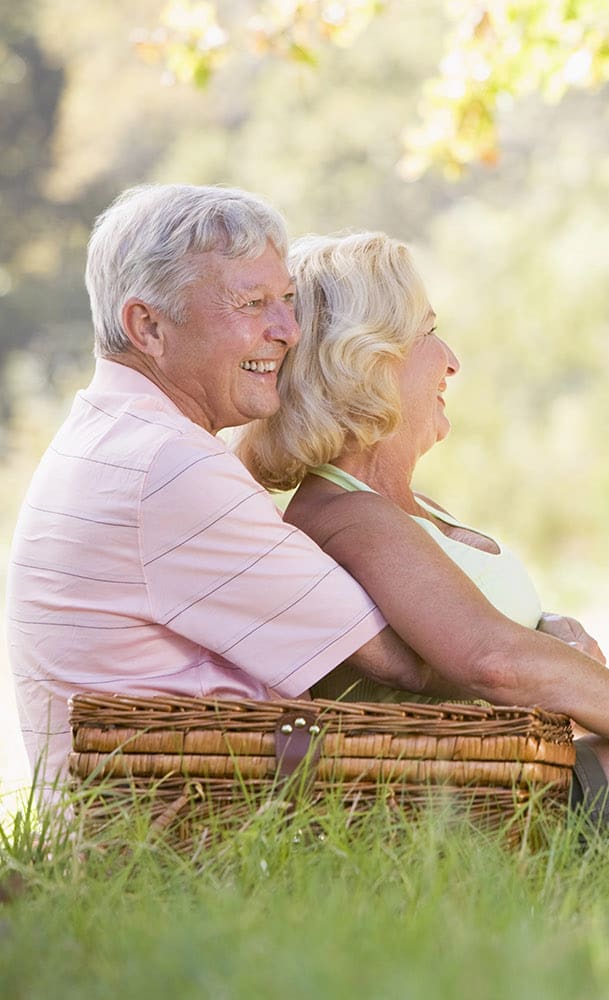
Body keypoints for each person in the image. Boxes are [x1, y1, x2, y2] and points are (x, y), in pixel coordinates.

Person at [235, 231, 609, 832]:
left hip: (529, 766)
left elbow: (486, 636)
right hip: (466, 796)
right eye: (427, 333)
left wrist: (548, 628)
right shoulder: (349, 517)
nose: (450, 358)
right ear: (367, 361)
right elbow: (495, 661)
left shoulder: (408, 507)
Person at [6, 184, 428, 791]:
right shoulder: (167, 465)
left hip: (156, 824)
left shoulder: (111, 435)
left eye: (287, 300)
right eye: (253, 303)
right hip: (176, 844)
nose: (289, 330)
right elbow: (397, 658)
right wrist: (539, 640)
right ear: (147, 325)